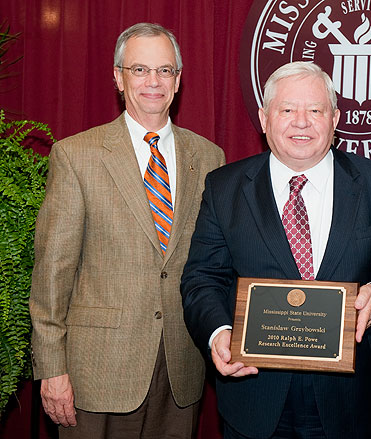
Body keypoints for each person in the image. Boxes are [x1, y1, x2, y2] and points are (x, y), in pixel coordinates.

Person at [181, 61, 371, 439]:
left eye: (315, 110)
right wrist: (219, 332)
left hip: (350, 401)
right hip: (254, 395)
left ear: (334, 118)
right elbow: (202, 277)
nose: (301, 122)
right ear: (264, 118)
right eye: (287, 109)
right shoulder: (224, 187)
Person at [29, 22, 225, 438]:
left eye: (165, 70)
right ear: (118, 78)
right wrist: (51, 369)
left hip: (180, 371)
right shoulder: (76, 155)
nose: (153, 81)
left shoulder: (209, 157)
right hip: (96, 374)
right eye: (139, 70)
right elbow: (51, 275)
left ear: (178, 79)